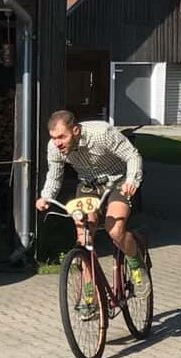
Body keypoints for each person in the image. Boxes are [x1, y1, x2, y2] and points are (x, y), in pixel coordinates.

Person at [35, 110, 150, 313]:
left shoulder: (102, 133)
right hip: (88, 185)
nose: (58, 143)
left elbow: (133, 155)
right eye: (54, 138)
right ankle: (90, 293)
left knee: (114, 230)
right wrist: (45, 196)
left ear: (76, 130)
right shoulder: (54, 148)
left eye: (62, 137)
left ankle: (136, 264)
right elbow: (54, 175)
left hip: (118, 181)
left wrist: (132, 181)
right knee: (84, 239)